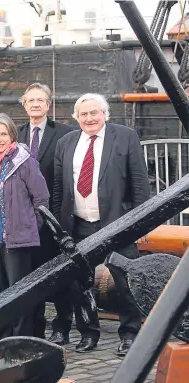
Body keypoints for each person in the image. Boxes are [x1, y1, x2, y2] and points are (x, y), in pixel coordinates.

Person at [53, 93, 150, 355]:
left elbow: (140, 183)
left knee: (125, 281)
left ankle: (129, 334)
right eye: (84, 114)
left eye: (95, 113)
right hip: (79, 226)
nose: (89, 118)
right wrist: (60, 228)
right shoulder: (66, 142)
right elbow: (59, 190)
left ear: (105, 114)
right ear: (76, 117)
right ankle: (88, 332)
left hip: (118, 225)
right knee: (79, 284)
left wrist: (140, 224)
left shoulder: (125, 137)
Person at [0, 113, 50, 362]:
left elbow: (41, 199)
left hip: (17, 240)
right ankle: (1, 345)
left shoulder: (24, 161)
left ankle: (20, 345)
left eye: (3, 134)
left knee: (18, 294)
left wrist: (28, 227)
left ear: (12, 136)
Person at [17, 83, 74, 339]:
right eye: (31, 101)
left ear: (48, 104)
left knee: (57, 273)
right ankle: (36, 326)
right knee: (31, 274)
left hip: (52, 216)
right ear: (24, 104)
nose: (36, 104)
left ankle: (62, 326)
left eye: (41, 100)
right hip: (25, 219)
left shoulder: (64, 133)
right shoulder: (15, 135)